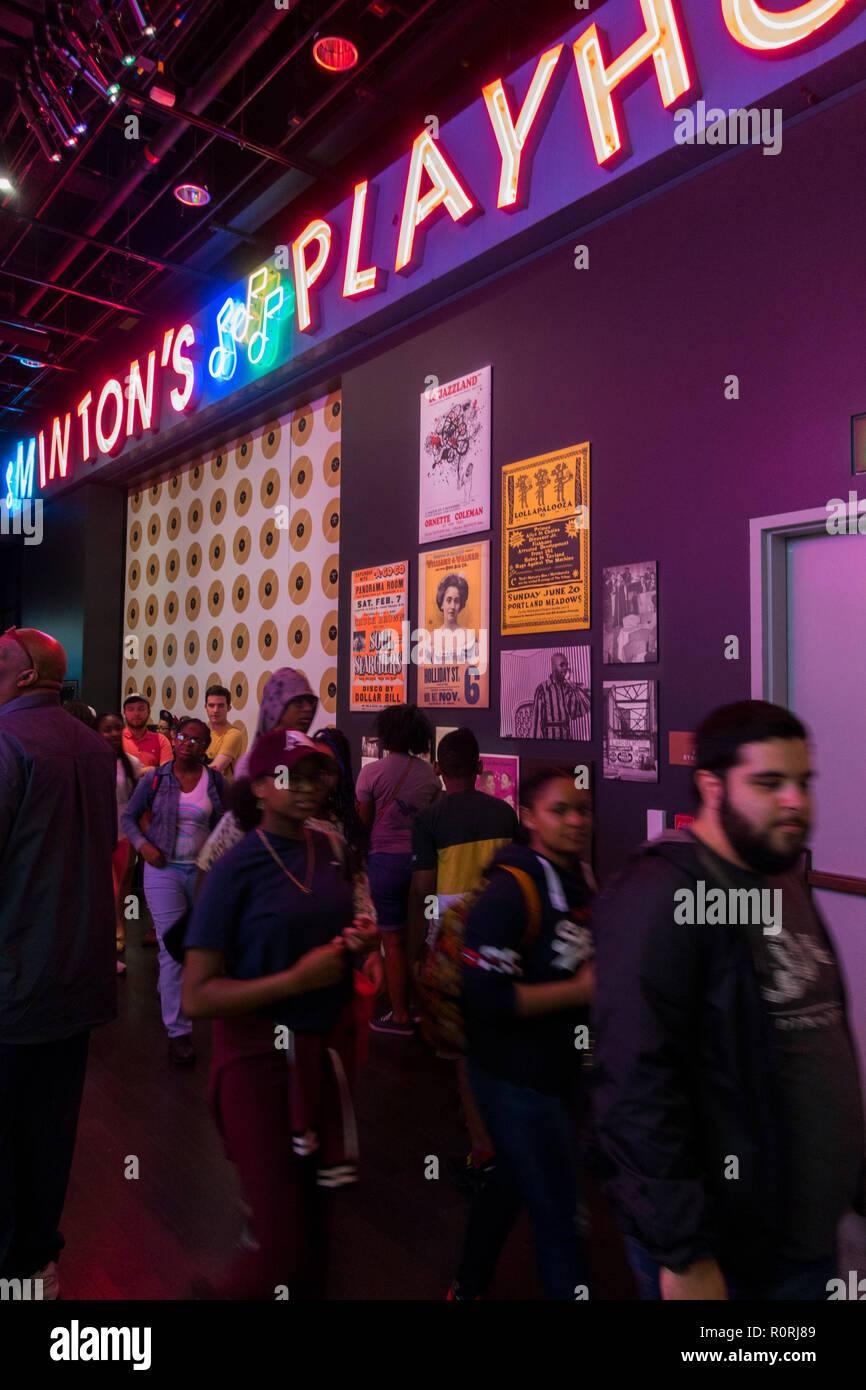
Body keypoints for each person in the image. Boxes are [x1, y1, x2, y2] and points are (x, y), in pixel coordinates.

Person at [592, 700, 866, 1301]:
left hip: (806, 1240)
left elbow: (818, 1033)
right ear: (711, 787)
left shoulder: (783, 873)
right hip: (729, 1254)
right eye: (769, 783)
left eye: (803, 782)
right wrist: (685, 1254)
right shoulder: (658, 895)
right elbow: (636, 1087)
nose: (795, 801)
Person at [181, 729, 379, 1299]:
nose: (309, 787)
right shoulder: (233, 870)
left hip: (321, 1056)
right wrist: (294, 979)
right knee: (282, 1242)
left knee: (317, 1233)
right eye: (293, 774)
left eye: (318, 774)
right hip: (256, 1066)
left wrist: (356, 942)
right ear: (261, 787)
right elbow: (197, 996)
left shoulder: (332, 850)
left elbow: (337, 925)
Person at [449, 765, 595, 1300]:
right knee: (562, 1221)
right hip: (516, 1078)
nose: (577, 821)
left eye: (583, 809)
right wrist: (580, 992)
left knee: (508, 1183)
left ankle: (468, 1285)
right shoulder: (509, 893)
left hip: (556, 1072)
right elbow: (487, 999)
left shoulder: (578, 877)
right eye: (561, 810)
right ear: (529, 817)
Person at [0, 627, 116, 1301]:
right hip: (77, 976)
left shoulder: (7, 744)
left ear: (23, 677)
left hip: (14, 976)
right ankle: (38, 1263)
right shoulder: (96, 750)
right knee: (50, 1129)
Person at [409, 729, 518, 1190]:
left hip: (452, 931)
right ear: (479, 769)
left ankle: (483, 1150)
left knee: (459, 1044)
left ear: (438, 768)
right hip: (500, 923)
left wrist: (421, 947)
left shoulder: (429, 817)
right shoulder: (504, 812)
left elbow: (422, 888)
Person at [122, 717, 227, 1065]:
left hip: (203, 873)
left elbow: (227, 824)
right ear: (175, 738)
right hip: (162, 870)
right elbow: (129, 817)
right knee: (171, 948)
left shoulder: (216, 781)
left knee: (199, 946)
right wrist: (143, 846)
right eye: (183, 736)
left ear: (206, 746)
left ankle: (199, 1004)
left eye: (197, 739)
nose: (188, 743)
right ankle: (178, 1032)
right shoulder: (155, 778)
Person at [355, 704, 440, 1035]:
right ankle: (420, 1008)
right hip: (421, 866)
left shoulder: (371, 773)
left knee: (391, 940)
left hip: (384, 862)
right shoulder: (429, 776)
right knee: (418, 936)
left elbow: (364, 823)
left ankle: (400, 1015)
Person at [96, 712, 142, 958]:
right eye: (107, 729)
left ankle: (120, 929)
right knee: (109, 890)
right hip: (99, 838)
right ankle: (109, 932)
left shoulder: (132, 763)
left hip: (124, 836)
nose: (113, 734)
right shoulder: (91, 762)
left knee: (123, 889)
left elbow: (137, 802)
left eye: (117, 728)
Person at [530, 651, 590, 740]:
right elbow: (536, 720)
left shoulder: (567, 687)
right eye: (562, 665)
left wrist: (571, 682)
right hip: (550, 739)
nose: (565, 668)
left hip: (567, 738)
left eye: (566, 665)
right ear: (553, 667)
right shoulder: (543, 688)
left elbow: (578, 709)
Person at [433, 572, 478, 663]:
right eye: (448, 600)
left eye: (456, 601)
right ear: (442, 603)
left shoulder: (470, 638)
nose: (452, 606)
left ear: (461, 605)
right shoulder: (431, 639)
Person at [205, 684, 244, 781]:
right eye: (211, 705)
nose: (215, 710)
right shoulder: (204, 732)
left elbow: (215, 769)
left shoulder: (233, 734)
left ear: (228, 708)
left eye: (220, 706)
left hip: (223, 793)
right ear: (206, 707)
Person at [123, 692, 172, 769]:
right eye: (131, 709)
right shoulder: (117, 739)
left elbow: (166, 773)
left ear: (149, 712)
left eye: (141, 709)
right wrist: (145, 771)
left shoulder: (161, 740)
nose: (136, 713)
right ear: (124, 713)